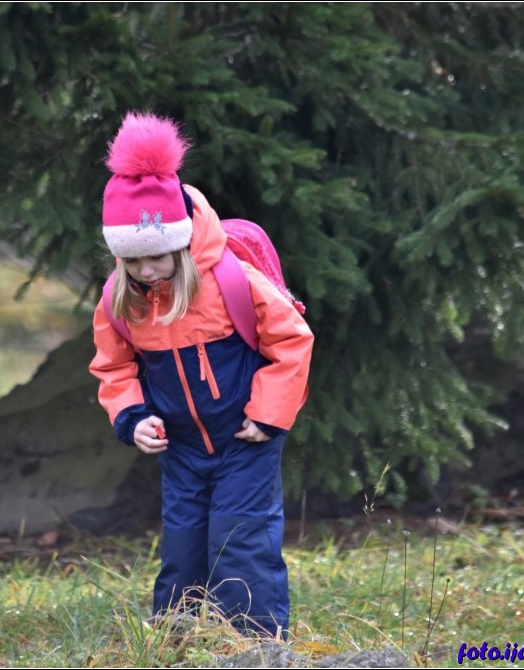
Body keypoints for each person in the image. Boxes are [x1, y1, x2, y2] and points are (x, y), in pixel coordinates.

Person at [89, 111, 314, 638]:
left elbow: (292, 341)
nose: (145, 271)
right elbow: (113, 367)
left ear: (181, 242)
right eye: (132, 261)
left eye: (156, 258)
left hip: (245, 438)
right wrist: (133, 418)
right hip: (183, 447)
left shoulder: (233, 281)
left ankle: (254, 645)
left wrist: (268, 416)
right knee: (183, 545)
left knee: (241, 540)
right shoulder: (120, 300)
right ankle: (177, 640)